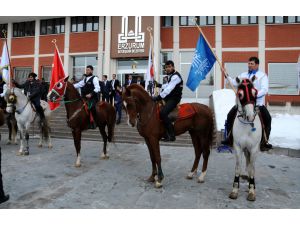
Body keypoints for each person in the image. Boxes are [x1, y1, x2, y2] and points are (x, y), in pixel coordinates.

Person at [222, 56, 272, 149]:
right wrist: (226, 75)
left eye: (252, 64)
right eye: (249, 63)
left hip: (257, 104)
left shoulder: (262, 76)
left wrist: (254, 95)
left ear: (257, 65)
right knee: (229, 116)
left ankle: (265, 141)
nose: (249, 65)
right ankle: (229, 138)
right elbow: (233, 82)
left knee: (268, 118)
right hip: (243, 104)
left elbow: (264, 90)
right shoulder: (243, 75)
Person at [152, 60, 183, 142]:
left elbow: (168, 89)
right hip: (169, 97)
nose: (168, 69)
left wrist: (158, 97)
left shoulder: (175, 77)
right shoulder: (171, 76)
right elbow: (167, 85)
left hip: (174, 98)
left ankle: (172, 135)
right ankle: (164, 133)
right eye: (166, 67)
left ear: (173, 67)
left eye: (169, 67)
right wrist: (159, 85)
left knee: (163, 113)